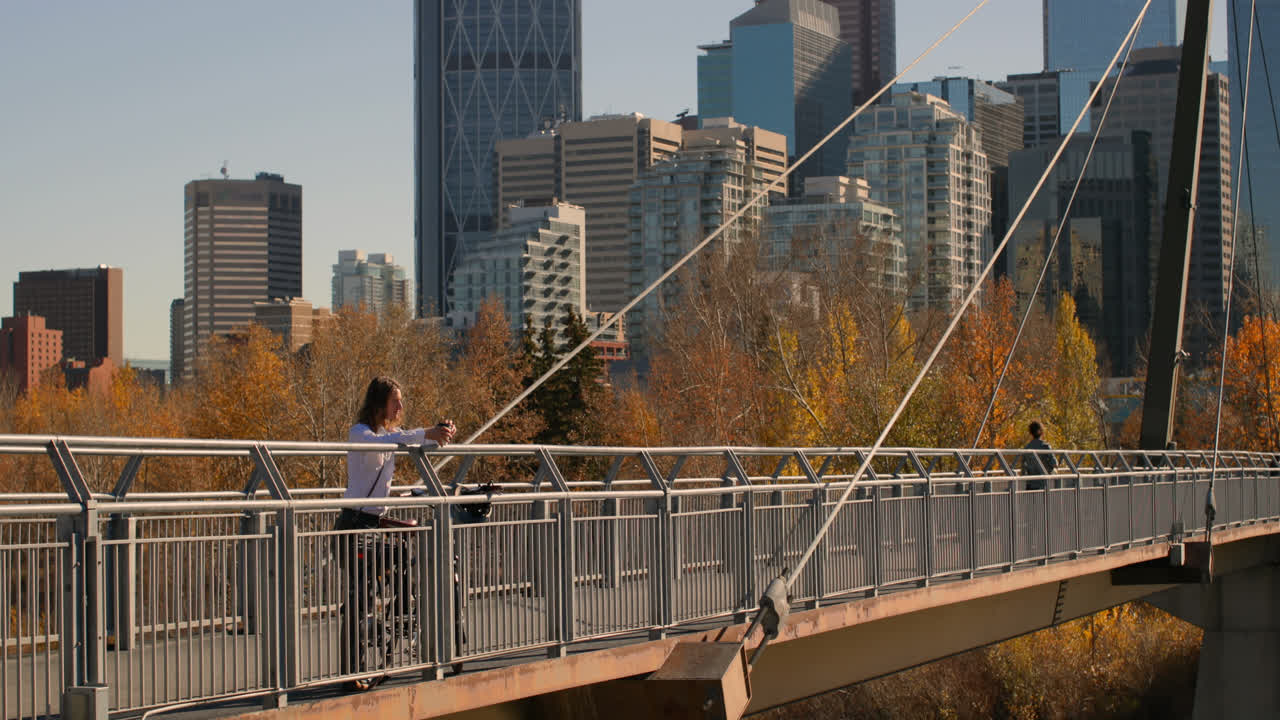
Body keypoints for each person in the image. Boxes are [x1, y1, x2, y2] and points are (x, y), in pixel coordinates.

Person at [336, 376, 454, 691]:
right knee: (360, 597)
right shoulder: (359, 434)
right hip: (354, 525)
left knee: (400, 558)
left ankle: (394, 619)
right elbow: (387, 443)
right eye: (395, 401)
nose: (400, 407)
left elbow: (415, 441)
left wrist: (440, 433)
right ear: (378, 404)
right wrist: (424, 433)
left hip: (374, 526)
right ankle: (353, 671)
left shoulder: (391, 435)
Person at [1021, 421, 1056, 490]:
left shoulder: (1027, 448)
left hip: (1030, 484)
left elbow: (1023, 467)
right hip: (1043, 484)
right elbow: (1054, 463)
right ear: (1041, 431)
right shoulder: (1045, 446)